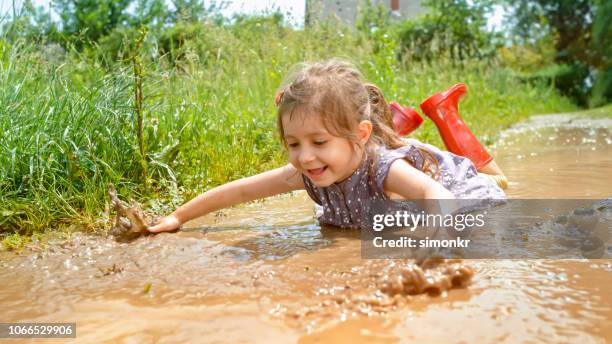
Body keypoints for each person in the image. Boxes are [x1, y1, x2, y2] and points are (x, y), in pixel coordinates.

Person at [147, 59, 505, 233]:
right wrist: (178, 216)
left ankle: (447, 115)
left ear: (360, 135)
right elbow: (240, 192)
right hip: (380, 151)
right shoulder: (308, 167)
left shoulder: (384, 170)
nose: (304, 156)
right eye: (293, 143)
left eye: (318, 141)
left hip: (468, 193)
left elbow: (439, 197)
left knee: (501, 184)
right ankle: (423, 117)